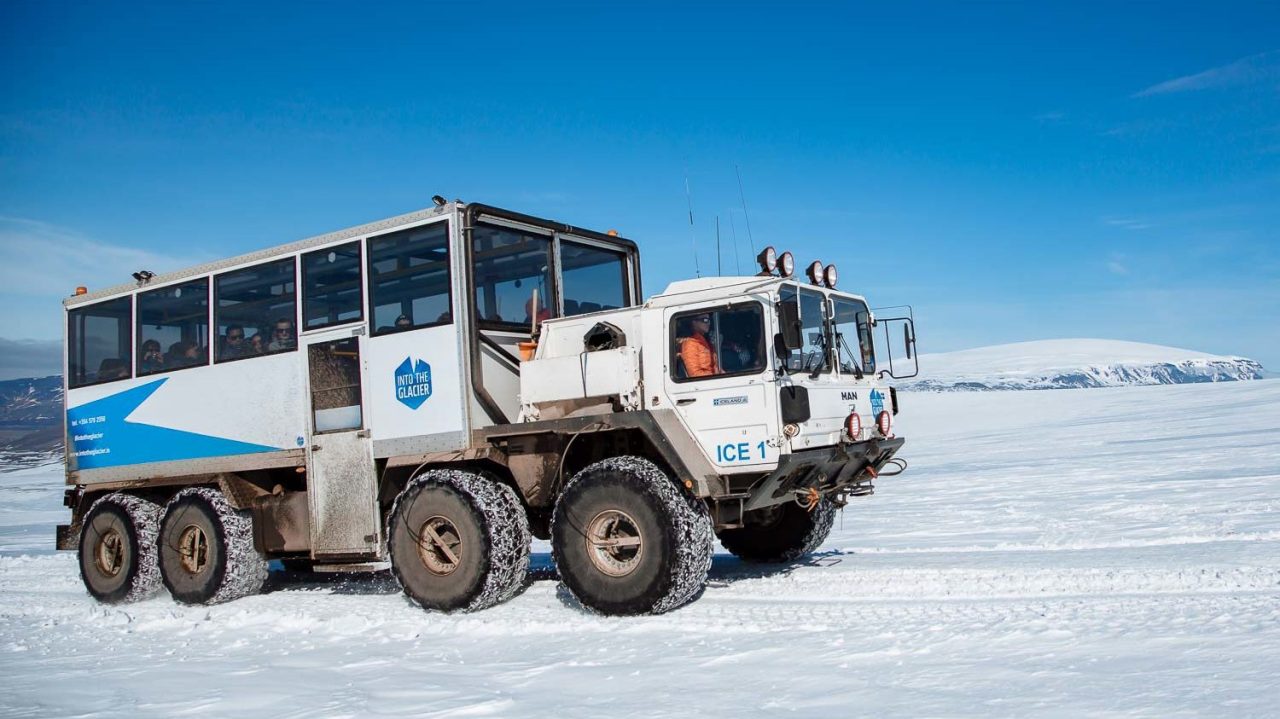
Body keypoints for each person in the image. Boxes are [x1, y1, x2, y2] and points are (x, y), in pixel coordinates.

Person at [679, 314, 721, 378]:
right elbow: (695, 374)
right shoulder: (690, 344)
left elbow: (715, 367)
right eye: (705, 320)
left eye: (709, 320)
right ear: (694, 322)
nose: (709, 323)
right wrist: (715, 376)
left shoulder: (705, 342)